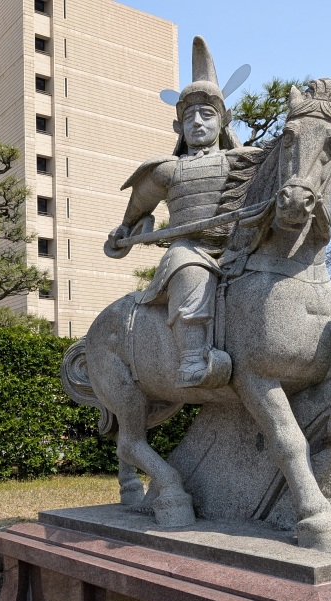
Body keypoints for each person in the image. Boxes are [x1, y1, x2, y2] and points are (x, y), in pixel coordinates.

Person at [106, 37, 252, 389]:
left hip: (241, 246)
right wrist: (124, 231)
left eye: (207, 115)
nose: (198, 124)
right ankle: (192, 358)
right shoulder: (167, 171)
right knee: (189, 270)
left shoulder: (247, 161)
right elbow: (139, 205)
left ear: (223, 120)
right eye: (189, 118)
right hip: (191, 249)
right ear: (179, 127)